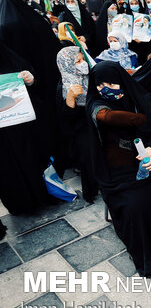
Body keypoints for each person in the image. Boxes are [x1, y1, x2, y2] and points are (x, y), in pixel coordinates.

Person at [86, 61, 151, 277]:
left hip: (149, 163)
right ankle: (144, 255)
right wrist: (138, 119)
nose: (104, 88)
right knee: (138, 204)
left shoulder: (138, 98)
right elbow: (104, 115)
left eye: (110, 83)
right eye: (99, 84)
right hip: (117, 173)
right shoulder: (95, 103)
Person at [0, 40, 57, 214]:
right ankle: (20, 203)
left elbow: (33, 82)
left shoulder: (8, 56)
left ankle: (41, 195)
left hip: (23, 125)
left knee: (32, 158)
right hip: (2, 139)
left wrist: (30, 79)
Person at [55, 46, 98, 203]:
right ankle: (91, 191)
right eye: (77, 61)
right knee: (87, 151)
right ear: (67, 65)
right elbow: (66, 119)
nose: (82, 64)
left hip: (97, 119)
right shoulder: (64, 86)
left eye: (83, 60)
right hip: (81, 126)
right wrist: (71, 99)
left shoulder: (92, 75)